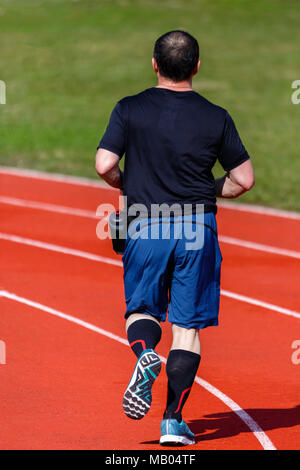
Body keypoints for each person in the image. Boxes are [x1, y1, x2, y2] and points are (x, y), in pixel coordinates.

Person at [95, 30, 254, 446]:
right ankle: (172, 422)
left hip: (146, 223)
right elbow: (243, 180)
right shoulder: (216, 116)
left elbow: (104, 164)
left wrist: (131, 184)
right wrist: (206, 189)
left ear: (154, 64)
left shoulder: (129, 108)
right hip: (197, 229)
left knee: (142, 310)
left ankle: (145, 353)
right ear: (197, 67)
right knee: (187, 329)